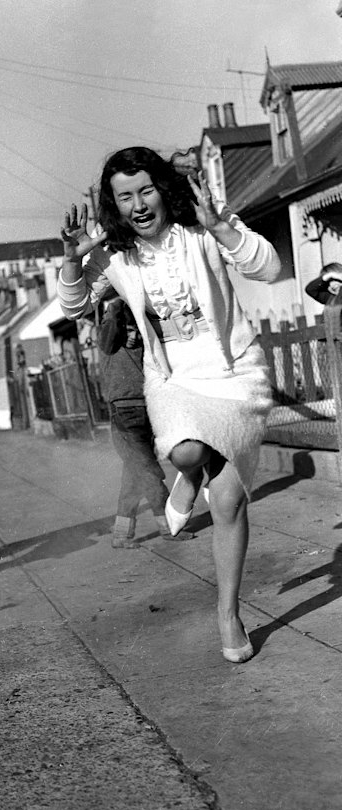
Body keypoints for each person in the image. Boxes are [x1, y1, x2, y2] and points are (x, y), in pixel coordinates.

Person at [58, 146, 281, 663]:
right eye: (124, 196)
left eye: (145, 190)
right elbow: (74, 306)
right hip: (173, 375)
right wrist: (72, 258)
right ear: (112, 205)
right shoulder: (113, 255)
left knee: (227, 503)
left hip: (233, 371)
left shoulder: (201, 230)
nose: (138, 203)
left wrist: (223, 226)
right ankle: (191, 470)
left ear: (163, 190)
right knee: (183, 453)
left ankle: (227, 613)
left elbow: (268, 269)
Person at [97, 298, 193, 545]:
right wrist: (120, 300)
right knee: (149, 472)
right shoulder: (109, 344)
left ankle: (121, 534)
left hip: (145, 411)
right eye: (127, 331)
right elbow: (113, 321)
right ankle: (168, 527)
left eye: (135, 331)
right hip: (123, 415)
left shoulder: (142, 347)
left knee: (135, 474)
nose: (132, 337)